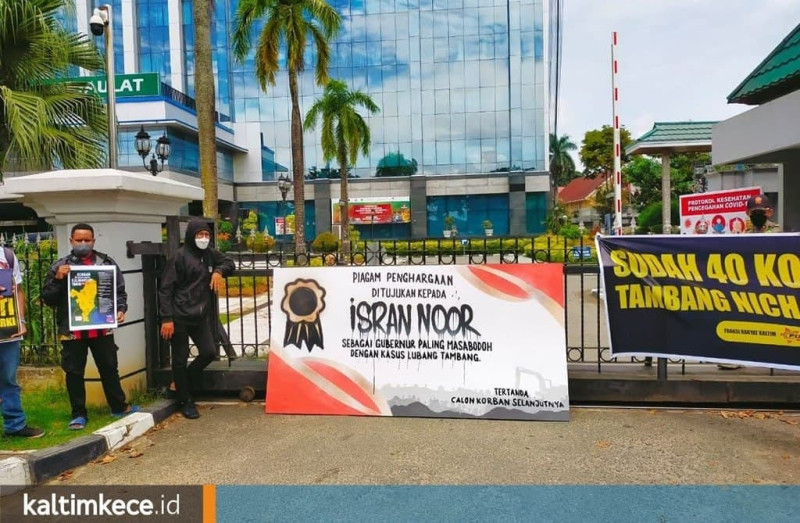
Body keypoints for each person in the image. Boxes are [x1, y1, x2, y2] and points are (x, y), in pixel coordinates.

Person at [42, 224, 137, 430]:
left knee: (109, 368)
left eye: (87, 240)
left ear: (94, 241)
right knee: (74, 373)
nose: (83, 244)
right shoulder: (60, 266)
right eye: (79, 240)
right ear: (71, 241)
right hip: (72, 331)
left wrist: (120, 309)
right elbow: (48, 299)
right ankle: (78, 414)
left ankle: (119, 407)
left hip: (101, 329)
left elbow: (119, 292)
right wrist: (58, 279)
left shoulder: (106, 263)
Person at [159, 218, 234, 419]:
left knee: (209, 352)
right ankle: (186, 400)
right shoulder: (179, 257)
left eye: (206, 235)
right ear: (191, 236)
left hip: (200, 316)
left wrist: (218, 271)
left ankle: (180, 384)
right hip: (179, 316)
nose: (203, 238)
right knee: (180, 359)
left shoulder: (209, 255)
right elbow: (165, 290)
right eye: (199, 235)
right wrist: (167, 318)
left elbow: (229, 262)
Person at [718, 194, 781, 370]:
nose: (758, 215)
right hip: (749, 286)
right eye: (754, 212)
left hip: (773, 286)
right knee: (742, 323)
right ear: (747, 213)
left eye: (762, 211)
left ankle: (781, 360)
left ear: (770, 212)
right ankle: (738, 358)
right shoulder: (744, 233)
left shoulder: (778, 231)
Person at [0, 246, 44, 438]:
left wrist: (21, 321)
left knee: (9, 378)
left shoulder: (7, 256)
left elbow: (17, 290)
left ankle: (15, 425)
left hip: (8, 328)